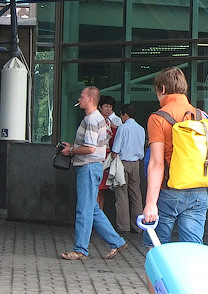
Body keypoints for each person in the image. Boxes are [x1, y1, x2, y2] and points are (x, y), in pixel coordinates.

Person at [139, 67, 208, 294]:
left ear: (162, 89)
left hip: (169, 193)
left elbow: (157, 163)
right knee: (193, 251)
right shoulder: (201, 115)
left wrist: (150, 204)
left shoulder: (158, 118)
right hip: (199, 192)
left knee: (155, 252)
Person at [58, 86, 127, 261]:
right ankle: (117, 242)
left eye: (82, 96)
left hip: (87, 167)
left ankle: (81, 249)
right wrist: (74, 147)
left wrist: (70, 150)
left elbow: (89, 148)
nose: (79, 99)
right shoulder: (99, 119)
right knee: (93, 208)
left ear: (89, 99)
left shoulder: (91, 120)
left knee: (84, 210)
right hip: (95, 167)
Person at [111, 103, 145, 235]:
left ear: (125, 114)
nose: (121, 117)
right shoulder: (141, 129)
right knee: (136, 194)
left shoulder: (123, 128)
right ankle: (138, 226)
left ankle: (123, 226)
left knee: (122, 195)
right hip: (136, 163)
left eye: (121, 115)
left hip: (123, 163)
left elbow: (116, 149)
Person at [97, 95, 121, 210]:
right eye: (106, 106)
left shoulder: (109, 122)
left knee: (102, 191)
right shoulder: (96, 120)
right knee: (97, 190)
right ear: (100, 107)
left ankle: (99, 213)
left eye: (110, 107)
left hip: (106, 158)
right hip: (97, 157)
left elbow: (113, 140)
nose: (108, 109)